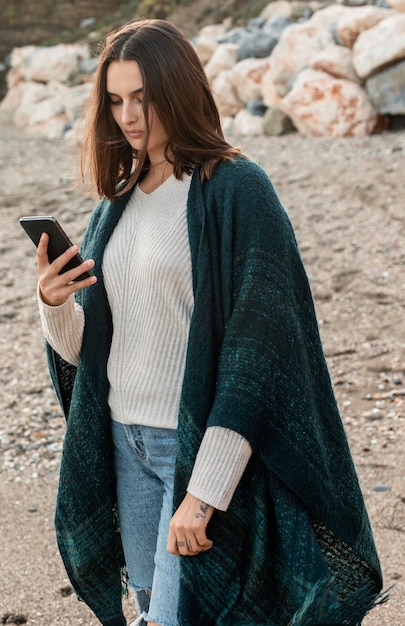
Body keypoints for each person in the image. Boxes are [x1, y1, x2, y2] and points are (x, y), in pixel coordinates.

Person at [34, 18, 383, 626]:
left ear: (179, 88)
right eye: (115, 101)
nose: (129, 116)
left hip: (193, 449)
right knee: (147, 607)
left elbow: (259, 359)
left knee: (182, 615)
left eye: (142, 97)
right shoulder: (114, 204)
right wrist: (54, 304)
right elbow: (88, 354)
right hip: (125, 440)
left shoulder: (237, 190)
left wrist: (204, 495)